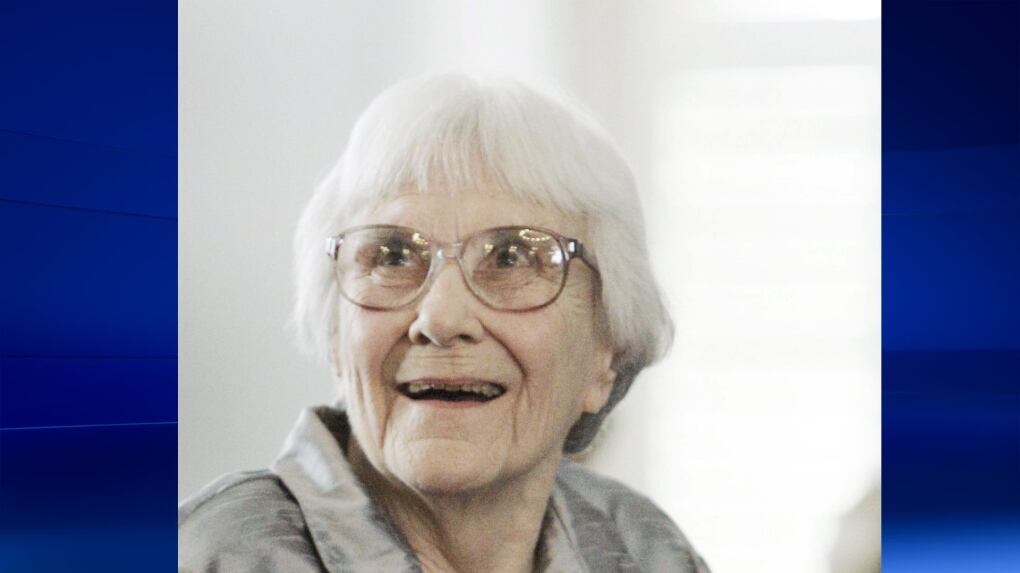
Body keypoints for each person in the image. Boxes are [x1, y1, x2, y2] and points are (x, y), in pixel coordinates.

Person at [179, 73, 710, 573]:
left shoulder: (641, 550)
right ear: (338, 337)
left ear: (605, 355)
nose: (441, 319)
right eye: (392, 257)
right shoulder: (218, 556)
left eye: (511, 259)